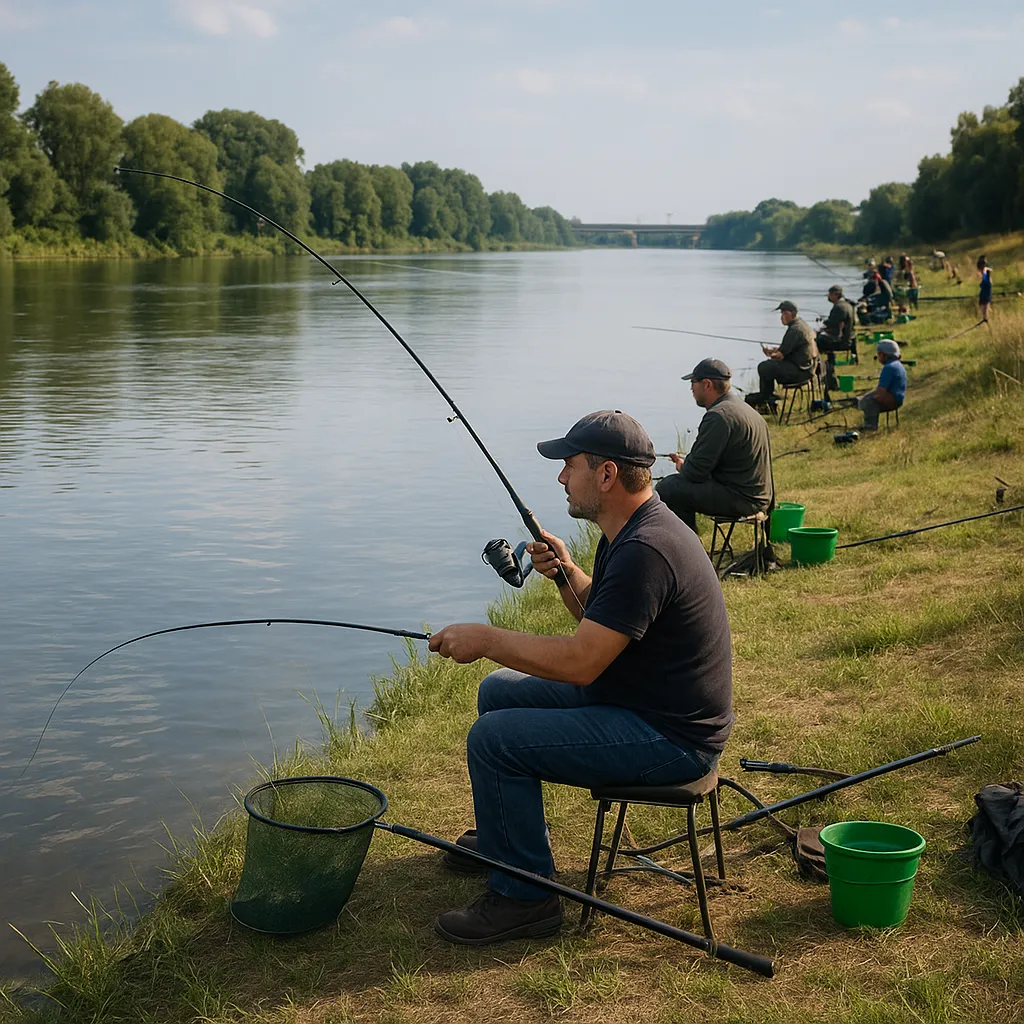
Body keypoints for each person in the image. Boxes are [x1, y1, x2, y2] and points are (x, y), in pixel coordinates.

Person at [428, 410, 733, 946]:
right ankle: (509, 843)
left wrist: (486, 639)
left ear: (607, 474)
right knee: (497, 691)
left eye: (570, 466)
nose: (561, 477)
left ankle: (525, 899)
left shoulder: (646, 549)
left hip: (672, 739)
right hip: (638, 699)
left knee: (494, 739)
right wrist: (568, 572)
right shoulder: (631, 529)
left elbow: (581, 662)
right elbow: (606, 618)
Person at [655, 358, 772, 533]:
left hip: (742, 499)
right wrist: (689, 464)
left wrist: (682, 466)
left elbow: (696, 473)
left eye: (693, 383)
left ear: (707, 385)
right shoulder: (745, 409)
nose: (691, 388)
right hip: (758, 496)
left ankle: (687, 547)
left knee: (668, 488)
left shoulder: (718, 416)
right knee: (675, 485)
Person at [747, 300, 817, 411]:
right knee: (769, 366)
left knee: (764, 367)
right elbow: (788, 349)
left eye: (782, 314)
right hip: (807, 368)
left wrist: (771, 354)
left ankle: (766, 399)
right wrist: (773, 351)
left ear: (788, 314)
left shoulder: (794, 330)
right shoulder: (802, 325)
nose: (781, 317)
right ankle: (767, 398)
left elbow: (780, 356)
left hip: (800, 372)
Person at [815, 286, 857, 390]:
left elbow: (832, 323)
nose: (828, 297)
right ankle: (827, 370)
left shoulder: (839, 307)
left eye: (830, 295)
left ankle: (822, 370)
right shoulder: (847, 305)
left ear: (835, 295)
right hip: (849, 339)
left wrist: (823, 324)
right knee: (820, 338)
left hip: (842, 342)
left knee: (816, 341)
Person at [859, 340, 907, 431]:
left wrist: (864, 401)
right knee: (866, 399)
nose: (878, 357)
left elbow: (880, 393)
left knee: (868, 402)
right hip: (898, 399)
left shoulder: (888, 368)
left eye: (879, 354)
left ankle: (870, 427)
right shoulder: (898, 364)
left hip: (892, 400)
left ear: (884, 355)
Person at [978, 254, 993, 322]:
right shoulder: (981, 267)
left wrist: (986, 269)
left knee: (986, 302)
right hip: (984, 285)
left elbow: (990, 270)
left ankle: (986, 317)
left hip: (987, 285)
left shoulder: (987, 268)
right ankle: (985, 315)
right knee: (981, 303)